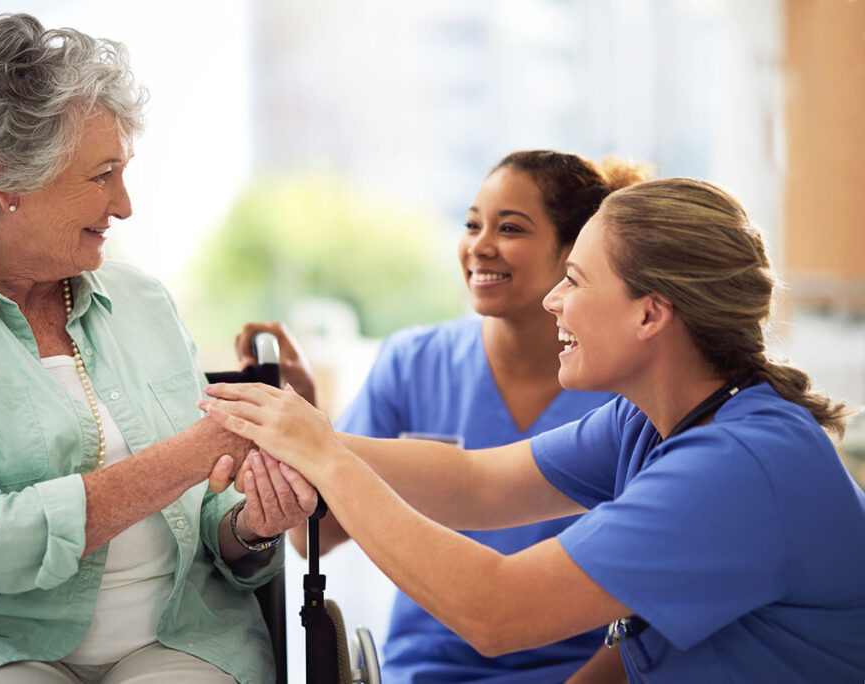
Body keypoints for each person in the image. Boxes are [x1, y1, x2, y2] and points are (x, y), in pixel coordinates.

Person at [203, 177, 865, 682]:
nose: (552, 300)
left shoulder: (737, 468)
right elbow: (479, 484)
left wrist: (326, 456)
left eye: (574, 280)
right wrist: (288, 430)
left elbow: (497, 613)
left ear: (650, 314)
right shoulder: (655, 421)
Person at [0, 14, 315, 684]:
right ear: (8, 184)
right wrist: (197, 449)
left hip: (180, 637)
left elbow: (210, 514)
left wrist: (251, 526)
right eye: (102, 175)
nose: (123, 205)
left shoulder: (143, 302)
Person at [236, 150, 651, 683]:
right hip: (427, 670)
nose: (480, 245)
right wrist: (307, 420)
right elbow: (319, 532)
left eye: (510, 228)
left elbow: (645, 613)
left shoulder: (624, 399)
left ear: (575, 252)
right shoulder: (414, 362)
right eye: (472, 224)